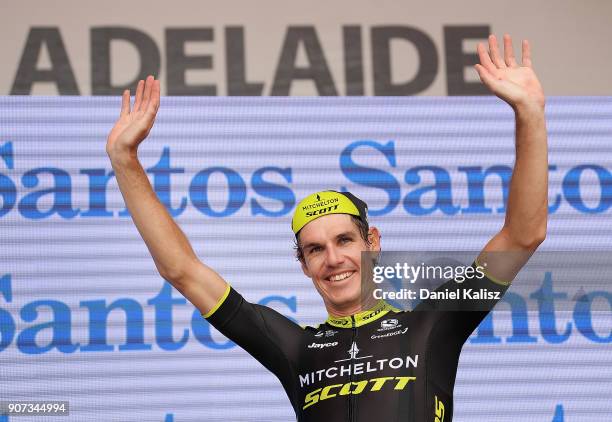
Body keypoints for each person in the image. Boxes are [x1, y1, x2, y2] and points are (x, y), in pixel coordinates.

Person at [106, 34, 547, 421]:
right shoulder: (295, 349)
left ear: (372, 243)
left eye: (344, 241)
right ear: (303, 265)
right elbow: (181, 269)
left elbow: (522, 236)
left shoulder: (433, 324)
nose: (333, 259)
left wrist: (529, 112)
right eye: (315, 249)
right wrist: (125, 160)